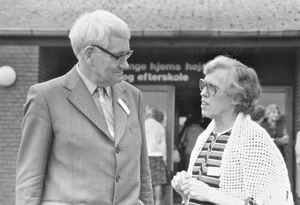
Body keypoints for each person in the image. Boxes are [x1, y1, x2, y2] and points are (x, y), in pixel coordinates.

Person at [16, 10, 153, 205]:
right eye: (119, 56)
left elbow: (143, 171)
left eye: (128, 54)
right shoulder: (45, 97)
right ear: (89, 54)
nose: (126, 64)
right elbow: (30, 178)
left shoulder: (133, 96)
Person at [171, 55, 293, 205]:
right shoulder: (203, 138)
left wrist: (210, 194)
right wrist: (185, 194)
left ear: (236, 98)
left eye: (211, 88)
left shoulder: (255, 142)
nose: (203, 93)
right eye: (203, 85)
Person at [145, 105, 167, 205]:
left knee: (144, 181)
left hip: (145, 156)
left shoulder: (143, 124)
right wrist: (165, 160)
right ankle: (157, 202)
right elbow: (163, 146)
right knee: (157, 183)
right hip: (157, 156)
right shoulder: (160, 127)